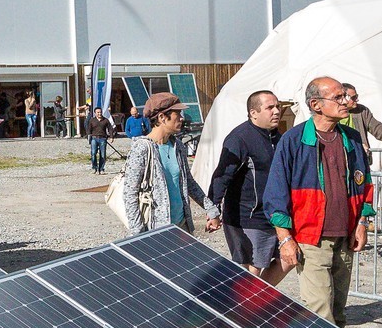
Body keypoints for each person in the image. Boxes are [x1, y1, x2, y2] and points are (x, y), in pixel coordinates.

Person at [263, 76, 375, 328]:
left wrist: (362, 222)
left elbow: (365, 184)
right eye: (338, 97)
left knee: (338, 312)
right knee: (320, 313)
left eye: (345, 96)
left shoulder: (352, 139)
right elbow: (276, 193)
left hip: (345, 236)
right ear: (316, 104)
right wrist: (285, 239)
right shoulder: (294, 140)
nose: (346, 101)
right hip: (311, 238)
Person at [208, 90, 286, 283]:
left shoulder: (280, 138)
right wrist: (213, 209)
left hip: (276, 215)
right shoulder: (240, 138)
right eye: (270, 107)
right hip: (247, 216)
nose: (276, 111)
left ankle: (255, 302)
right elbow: (221, 175)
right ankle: (244, 308)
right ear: (253, 113)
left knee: (289, 258)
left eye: (278, 106)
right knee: (252, 269)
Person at [120, 91, 220, 235]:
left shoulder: (178, 146)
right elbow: (130, 193)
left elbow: (189, 183)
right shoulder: (142, 148)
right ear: (162, 117)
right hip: (155, 231)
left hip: (182, 226)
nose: (181, 118)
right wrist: (138, 233)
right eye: (177, 114)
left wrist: (211, 209)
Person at [340, 82, 382, 153]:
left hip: (361, 157)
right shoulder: (332, 113)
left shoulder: (362, 111)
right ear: (344, 97)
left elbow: (377, 128)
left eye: (357, 96)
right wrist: (358, 146)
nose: (357, 100)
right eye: (353, 98)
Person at [86, 106, 113, 174]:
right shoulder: (92, 120)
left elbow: (110, 128)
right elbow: (89, 129)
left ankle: (101, 169)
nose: (99, 114)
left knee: (103, 155)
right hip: (94, 138)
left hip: (102, 138)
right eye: (98, 112)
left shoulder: (105, 120)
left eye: (100, 112)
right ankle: (94, 168)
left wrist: (111, 137)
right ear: (95, 113)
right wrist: (88, 137)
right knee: (93, 153)